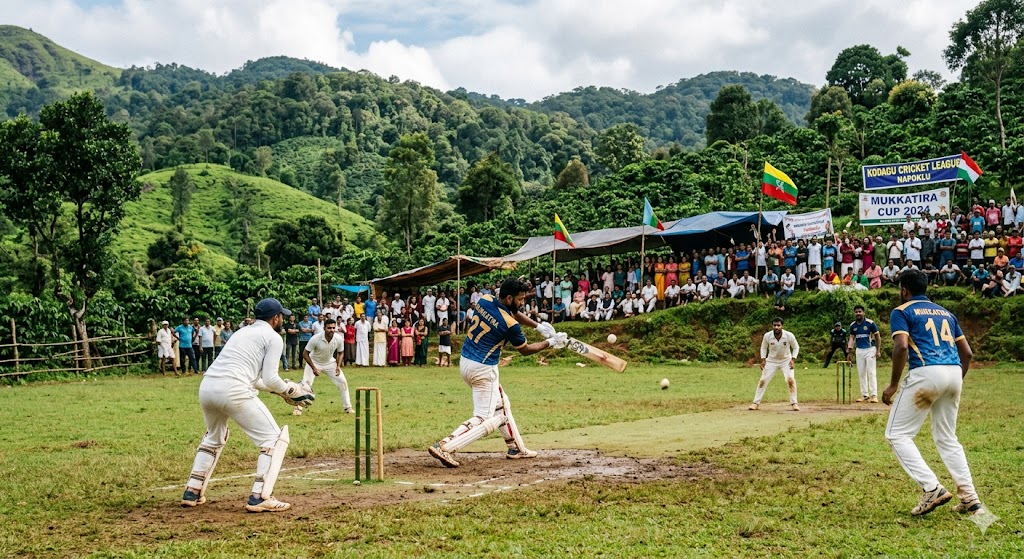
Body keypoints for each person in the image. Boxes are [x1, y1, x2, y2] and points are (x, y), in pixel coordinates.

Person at [180, 298, 313, 513]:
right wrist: (293, 390)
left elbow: (256, 379)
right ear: (276, 318)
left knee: (214, 437)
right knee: (274, 439)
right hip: (234, 390)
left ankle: (192, 491)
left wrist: (281, 391)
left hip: (208, 387)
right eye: (281, 317)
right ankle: (260, 497)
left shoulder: (242, 332)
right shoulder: (272, 337)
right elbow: (271, 378)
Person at [428, 277, 567, 468]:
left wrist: (538, 326)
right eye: (520, 299)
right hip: (484, 370)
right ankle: (445, 445)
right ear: (509, 298)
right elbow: (525, 349)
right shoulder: (510, 325)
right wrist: (550, 343)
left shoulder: (486, 299)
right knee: (484, 417)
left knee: (502, 404)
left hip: (466, 362)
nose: (522, 302)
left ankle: (515, 447)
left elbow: (512, 313)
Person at [883, 269, 985, 516]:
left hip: (926, 372)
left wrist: (894, 384)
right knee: (948, 438)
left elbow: (901, 347)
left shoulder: (902, 311)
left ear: (904, 290)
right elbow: (968, 354)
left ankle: (932, 488)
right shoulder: (946, 313)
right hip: (953, 372)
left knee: (897, 434)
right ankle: (970, 499)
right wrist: (953, 381)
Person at [297, 318, 354, 417]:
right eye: (329, 328)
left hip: (330, 363)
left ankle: (348, 407)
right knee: (306, 385)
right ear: (324, 328)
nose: (331, 330)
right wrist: (314, 368)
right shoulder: (315, 338)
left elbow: (341, 353)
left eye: (333, 328)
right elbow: (305, 354)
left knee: (343, 382)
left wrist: (338, 366)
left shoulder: (338, 338)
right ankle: (298, 408)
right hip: (314, 362)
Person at [749, 317, 800, 411]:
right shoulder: (767, 336)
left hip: (786, 360)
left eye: (778, 325)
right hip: (771, 361)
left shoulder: (789, 335)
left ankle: (794, 403)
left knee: (790, 380)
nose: (776, 327)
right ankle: (755, 403)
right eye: (774, 325)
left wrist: (793, 360)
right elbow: (763, 347)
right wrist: (763, 359)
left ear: (782, 326)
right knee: (763, 380)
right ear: (772, 326)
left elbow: (796, 347)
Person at [848, 305, 882, 403]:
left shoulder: (870, 323)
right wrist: (849, 352)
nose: (858, 313)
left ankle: (874, 395)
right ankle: (864, 395)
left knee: (871, 372)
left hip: (870, 349)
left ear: (863, 313)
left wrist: (878, 350)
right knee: (861, 373)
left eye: (860, 312)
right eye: (856, 312)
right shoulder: (853, 325)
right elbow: (851, 338)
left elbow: (878, 337)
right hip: (859, 350)